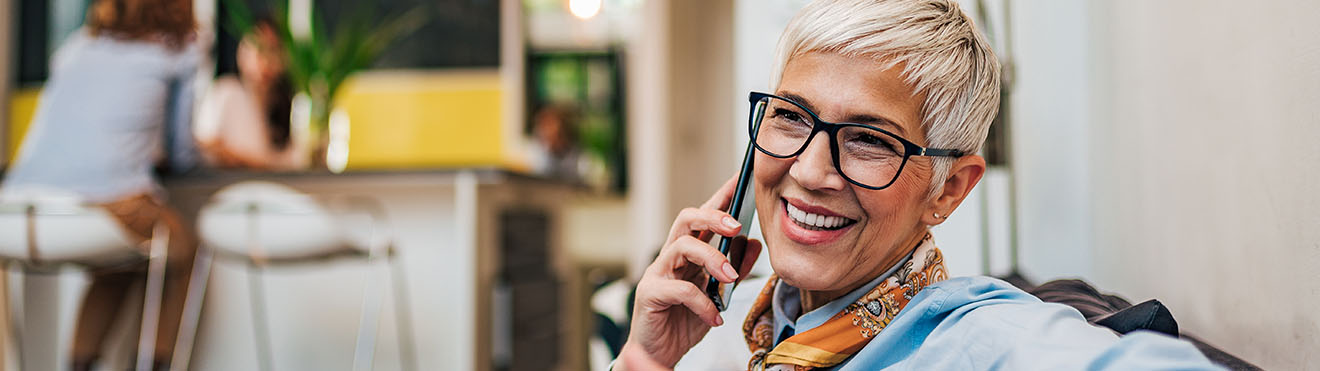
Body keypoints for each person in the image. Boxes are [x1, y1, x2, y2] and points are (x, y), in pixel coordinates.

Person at [616, 0, 1222, 370]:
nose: (807, 171)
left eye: (870, 140)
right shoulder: (727, 329)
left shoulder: (980, 341)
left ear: (949, 190)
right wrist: (644, 360)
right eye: (791, 117)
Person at [0, 0, 200, 369]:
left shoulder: (75, 48)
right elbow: (182, 153)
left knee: (119, 264)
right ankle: (155, 365)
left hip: (16, 211)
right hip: (103, 203)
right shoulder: (177, 51)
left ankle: (77, 365)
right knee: (183, 247)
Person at [195, 16, 304, 170]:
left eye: (273, 50)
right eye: (259, 49)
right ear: (242, 50)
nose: (265, 60)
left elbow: (298, 159)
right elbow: (206, 144)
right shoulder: (226, 91)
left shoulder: (291, 102)